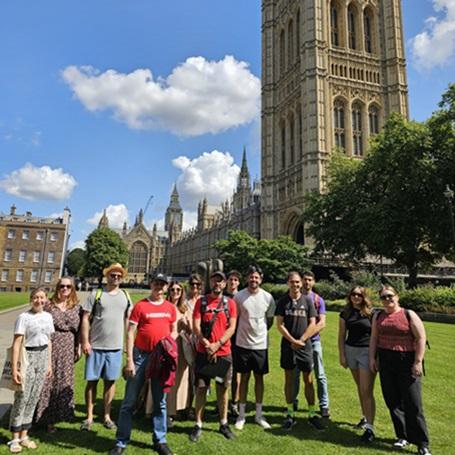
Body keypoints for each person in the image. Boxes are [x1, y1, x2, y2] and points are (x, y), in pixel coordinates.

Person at [110, 273, 177, 455]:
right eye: (156, 283)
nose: (158, 287)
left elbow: (174, 331)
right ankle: (121, 441)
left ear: (165, 287)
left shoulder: (170, 308)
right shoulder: (140, 306)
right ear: (151, 284)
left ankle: (160, 440)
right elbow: (131, 332)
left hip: (161, 358)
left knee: (160, 402)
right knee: (129, 402)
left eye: (162, 284)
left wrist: (169, 348)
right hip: (140, 356)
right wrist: (130, 360)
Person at [369, 285, 432, 455]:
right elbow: (374, 338)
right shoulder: (378, 316)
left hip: (406, 360)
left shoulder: (408, 314)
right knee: (393, 401)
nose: (387, 299)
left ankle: (422, 443)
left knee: (413, 402)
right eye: (383, 297)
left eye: (390, 296)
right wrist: (372, 358)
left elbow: (420, 338)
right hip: (386, 360)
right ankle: (402, 436)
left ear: (397, 296)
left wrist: (418, 362)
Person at [80, 263, 132, 431]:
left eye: (118, 275)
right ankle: (89, 416)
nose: (115, 277)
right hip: (95, 346)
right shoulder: (96, 294)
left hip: (115, 347)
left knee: (110, 382)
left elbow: (128, 321)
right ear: (106, 276)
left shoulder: (125, 295)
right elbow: (85, 318)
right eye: (112, 275)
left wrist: (126, 342)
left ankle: (107, 416)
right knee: (92, 382)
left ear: (121, 278)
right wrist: (85, 341)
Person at [189, 271, 237, 443]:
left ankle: (223, 423)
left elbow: (231, 327)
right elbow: (195, 325)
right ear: (210, 282)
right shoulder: (201, 302)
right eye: (215, 280)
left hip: (223, 353)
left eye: (220, 281)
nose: (217, 284)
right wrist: (206, 343)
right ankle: (198, 424)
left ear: (224, 284)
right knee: (201, 389)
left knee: (223, 389)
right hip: (204, 353)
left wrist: (217, 344)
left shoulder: (230, 303)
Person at [8, 288, 54, 453]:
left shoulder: (48, 317)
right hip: (28, 356)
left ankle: (24, 435)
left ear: (46, 300)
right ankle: (14, 438)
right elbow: (17, 344)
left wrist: (49, 364)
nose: (38, 301)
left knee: (34, 396)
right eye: (35, 297)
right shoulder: (23, 318)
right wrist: (15, 369)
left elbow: (48, 341)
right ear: (31, 299)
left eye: (42, 298)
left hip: (42, 357)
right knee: (22, 396)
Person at [276, 271, 324, 431]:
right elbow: (279, 325)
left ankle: (311, 414)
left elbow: (313, 323)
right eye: (292, 282)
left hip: (305, 346)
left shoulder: (308, 301)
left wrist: (302, 340)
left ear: (301, 283)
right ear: (288, 283)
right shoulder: (283, 301)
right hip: (288, 346)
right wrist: (292, 341)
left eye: (298, 282)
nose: (295, 285)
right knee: (289, 380)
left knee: (308, 380)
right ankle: (290, 413)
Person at [34, 277, 82, 433]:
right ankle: (42, 418)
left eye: (68, 286)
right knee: (47, 381)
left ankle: (58, 416)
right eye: (62, 286)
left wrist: (79, 345)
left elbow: (81, 328)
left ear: (72, 288)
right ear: (57, 287)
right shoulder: (49, 305)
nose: (65, 289)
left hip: (68, 346)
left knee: (63, 381)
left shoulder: (76, 307)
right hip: (50, 344)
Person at [234, 265, 275, 430]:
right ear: (247, 279)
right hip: (242, 344)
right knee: (243, 378)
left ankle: (258, 414)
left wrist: (260, 332)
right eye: (251, 277)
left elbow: (270, 320)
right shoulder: (238, 296)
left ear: (261, 279)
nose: (253, 280)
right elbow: (235, 319)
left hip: (260, 345)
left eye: (256, 277)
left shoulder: (268, 297)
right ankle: (242, 415)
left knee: (259, 378)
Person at [338, 286, 376, 442]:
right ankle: (365, 417)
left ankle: (370, 429)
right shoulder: (345, 313)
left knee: (366, 390)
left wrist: (374, 356)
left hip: (366, 352)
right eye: (353, 294)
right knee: (360, 388)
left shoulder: (371, 313)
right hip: (351, 351)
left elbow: (375, 336)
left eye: (359, 295)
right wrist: (342, 355)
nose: (356, 297)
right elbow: (341, 336)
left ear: (364, 296)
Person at [293, 271, 330, 419]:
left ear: (313, 282)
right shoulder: (295, 298)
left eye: (310, 280)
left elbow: (322, 323)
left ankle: (324, 405)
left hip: (313, 342)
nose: (307, 282)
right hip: (296, 343)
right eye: (305, 280)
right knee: (295, 374)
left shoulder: (318, 300)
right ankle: (293, 401)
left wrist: (305, 337)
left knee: (320, 375)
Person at [166, 281, 192, 424]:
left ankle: (177, 408)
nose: (175, 292)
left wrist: (187, 326)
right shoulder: (165, 306)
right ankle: (166, 412)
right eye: (173, 289)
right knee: (166, 379)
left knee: (180, 380)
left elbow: (190, 331)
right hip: (167, 347)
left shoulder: (184, 309)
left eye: (178, 290)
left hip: (181, 348)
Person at [225, 270, 241, 418]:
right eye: (231, 279)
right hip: (222, 339)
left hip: (237, 339)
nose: (233, 282)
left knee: (236, 373)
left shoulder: (241, 298)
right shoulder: (221, 298)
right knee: (220, 373)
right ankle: (221, 403)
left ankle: (234, 403)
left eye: (236, 280)